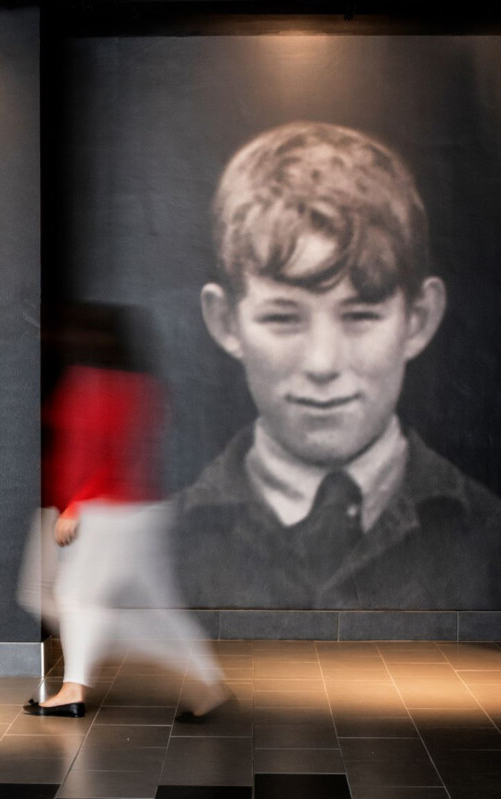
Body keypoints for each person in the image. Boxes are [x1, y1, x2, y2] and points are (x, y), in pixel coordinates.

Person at [175, 121, 501, 610]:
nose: (323, 363)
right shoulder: (157, 550)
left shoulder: (491, 542)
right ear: (226, 323)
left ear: (418, 319)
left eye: (361, 316)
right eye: (283, 318)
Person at [19, 304, 230, 720]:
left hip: (107, 514)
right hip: (142, 512)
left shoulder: (90, 384)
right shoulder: (140, 386)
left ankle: (73, 690)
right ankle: (206, 682)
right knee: (153, 607)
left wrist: (76, 505)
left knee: (76, 599)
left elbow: (99, 456)